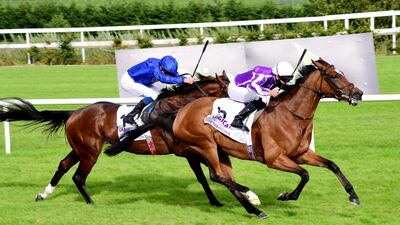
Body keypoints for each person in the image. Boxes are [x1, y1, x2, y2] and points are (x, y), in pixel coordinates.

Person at [120, 55, 196, 126]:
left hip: (142, 82)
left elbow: (174, 76)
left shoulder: (163, 67)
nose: (168, 74)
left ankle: (141, 115)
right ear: (161, 67)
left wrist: (187, 78)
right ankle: (130, 117)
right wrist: (184, 80)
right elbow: (163, 78)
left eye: (169, 73)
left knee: (160, 95)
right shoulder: (153, 66)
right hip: (129, 81)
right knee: (153, 95)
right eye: (166, 72)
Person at [228, 61, 295, 131]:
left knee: (265, 98)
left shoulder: (276, 77)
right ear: (277, 76)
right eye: (285, 79)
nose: (286, 82)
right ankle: (237, 120)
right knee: (262, 99)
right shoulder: (264, 75)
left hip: (244, 88)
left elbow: (284, 85)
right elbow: (252, 85)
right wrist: (269, 93)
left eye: (289, 79)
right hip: (235, 88)